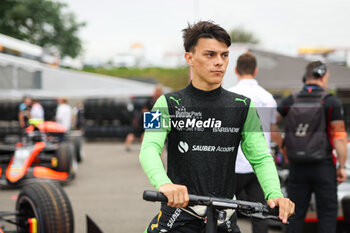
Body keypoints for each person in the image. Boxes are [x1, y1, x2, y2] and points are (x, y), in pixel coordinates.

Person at [139, 21, 294, 233]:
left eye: (224, 55)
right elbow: (148, 148)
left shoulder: (244, 106)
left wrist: (274, 193)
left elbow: (261, 157)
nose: (219, 62)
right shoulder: (165, 103)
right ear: (189, 58)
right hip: (179, 215)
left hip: (224, 217)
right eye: (210, 55)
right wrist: (164, 184)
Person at [277, 61, 347, 233]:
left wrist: (283, 146)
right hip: (323, 165)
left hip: (297, 166)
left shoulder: (290, 100)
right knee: (328, 213)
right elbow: (339, 138)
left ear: (305, 78)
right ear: (322, 76)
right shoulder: (331, 101)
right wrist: (342, 166)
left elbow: (270, 122)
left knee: (294, 214)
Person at [228, 52, 283, 233]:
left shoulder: (230, 95)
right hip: (259, 164)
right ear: (256, 70)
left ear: (236, 70)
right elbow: (273, 130)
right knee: (260, 213)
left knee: (227, 210)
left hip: (234, 163)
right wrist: (284, 148)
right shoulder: (267, 97)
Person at [125, 85, 163, 151]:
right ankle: (127, 146)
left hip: (152, 120)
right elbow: (144, 110)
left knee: (145, 134)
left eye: (159, 92)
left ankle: (146, 147)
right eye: (157, 91)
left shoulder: (161, 100)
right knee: (134, 133)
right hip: (144, 120)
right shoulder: (150, 101)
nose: (158, 93)